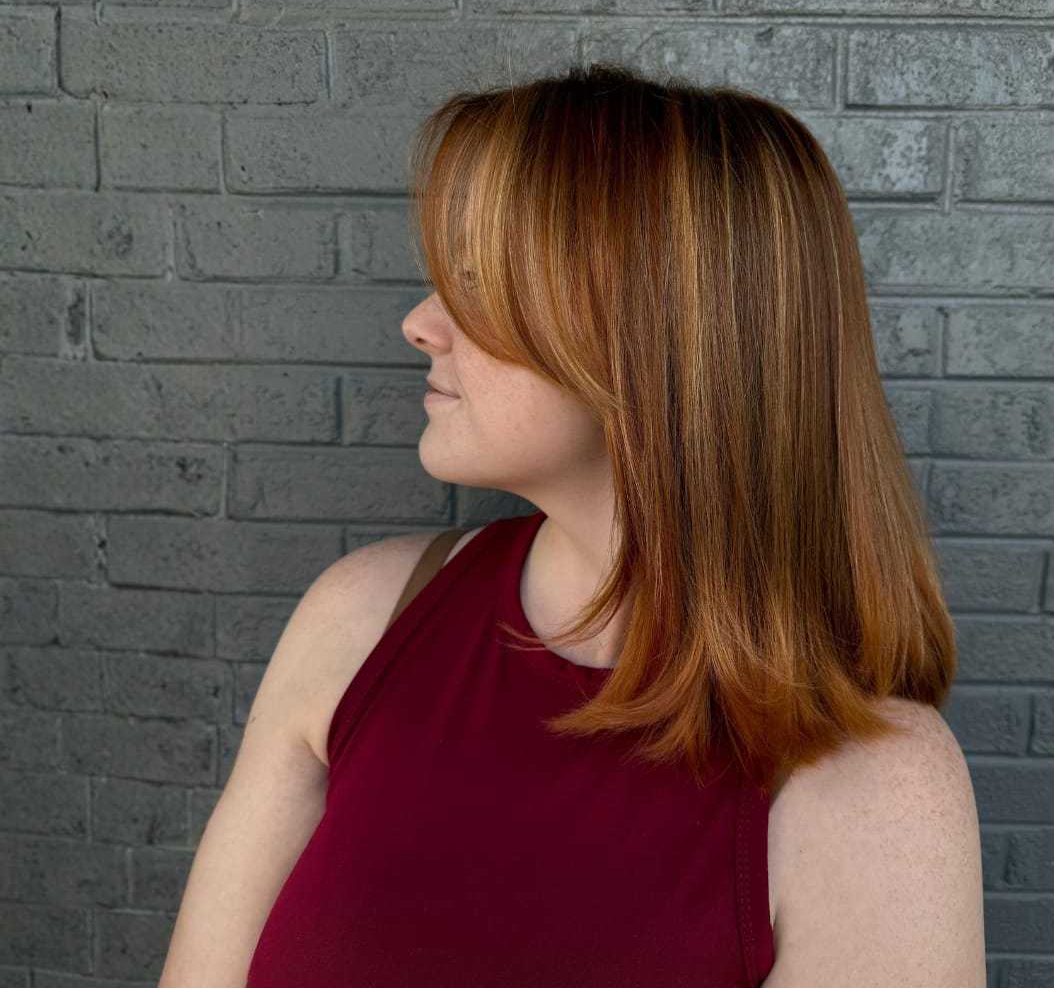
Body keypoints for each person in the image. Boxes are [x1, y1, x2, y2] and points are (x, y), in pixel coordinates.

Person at [158, 61, 985, 987]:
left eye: (479, 282)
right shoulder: (360, 624)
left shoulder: (874, 789)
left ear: (649, 334)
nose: (421, 323)